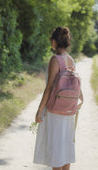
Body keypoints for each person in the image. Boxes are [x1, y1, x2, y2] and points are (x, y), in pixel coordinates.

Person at [33, 27, 83, 170]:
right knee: (65, 150)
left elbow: (49, 88)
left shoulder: (55, 59)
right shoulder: (71, 60)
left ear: (54, 41)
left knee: (56, 151)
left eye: (51, 40)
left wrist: (39, 111)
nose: (51, 42)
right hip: (68, 111)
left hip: (55, 111)